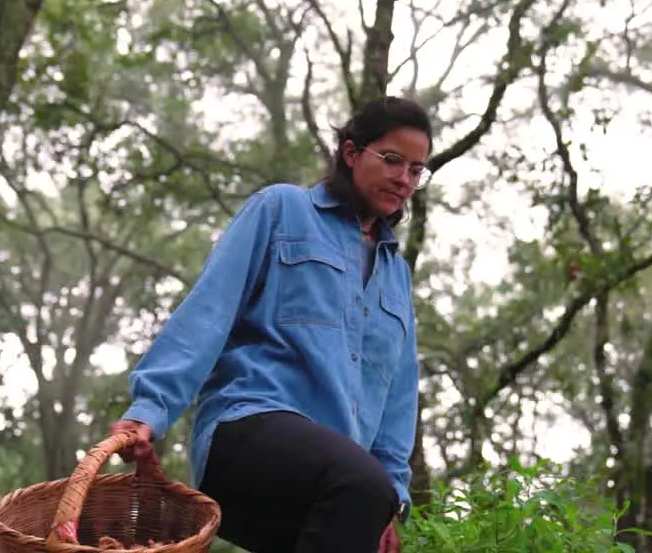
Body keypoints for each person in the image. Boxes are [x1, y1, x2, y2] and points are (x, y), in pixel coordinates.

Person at [110, 96, 433, 553]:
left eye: (417, 170)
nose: (404, 179)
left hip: (334, 484)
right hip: (246, 430)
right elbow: (209, 309)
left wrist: (389, 498)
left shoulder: (396, 275)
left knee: (362, 501)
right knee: (359, 482)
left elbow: (398, 397)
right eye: (393, 160)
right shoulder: (282, 210)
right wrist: (149, 408)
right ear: (351, 152)